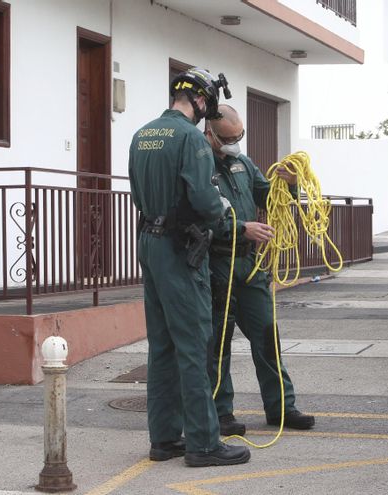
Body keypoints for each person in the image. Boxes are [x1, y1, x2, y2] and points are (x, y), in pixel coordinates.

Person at [128, 68, 250, 467]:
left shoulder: (142, 134)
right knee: (195, 345)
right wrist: (228, 219)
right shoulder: (191, 139)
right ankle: (203, 443)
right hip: (182, 248)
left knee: (161, 345)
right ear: (200, 101)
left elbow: (137, 193)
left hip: (149, 241)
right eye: (207, 106)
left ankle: (163, 439)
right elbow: (204, 200)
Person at [205, 104, 315, 436]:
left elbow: (271, 198)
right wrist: (241, 229)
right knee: (218, 343)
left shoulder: (243, 163)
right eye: (228, 138)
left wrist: (290, 186)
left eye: (239, 136)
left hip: (250, 266)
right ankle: (221, 413)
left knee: (268, 336)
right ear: (210, 134)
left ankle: (282, 406)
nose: (234, 143)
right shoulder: (198, 163)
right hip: (217, 262)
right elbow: (202, 213)